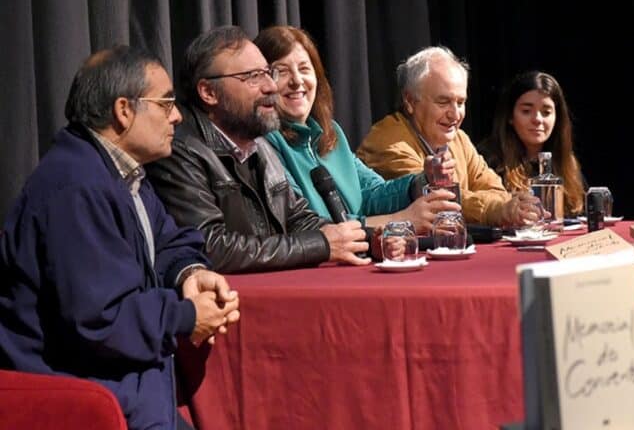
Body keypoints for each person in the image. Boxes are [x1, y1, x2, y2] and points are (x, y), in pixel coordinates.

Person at [0, 46, 240, 430]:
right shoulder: (77, 187)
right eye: (165, 104)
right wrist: (187, 316)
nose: (177, 116)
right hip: (89, 403)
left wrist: (189, 273)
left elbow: (168, 240)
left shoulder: (121, 175)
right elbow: (100, 320)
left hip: (136, 394)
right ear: (124, 110)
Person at [147, 26, 370, 273]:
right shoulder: (179, 150)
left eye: (268, 73)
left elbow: (300, 220)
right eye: (254, 76)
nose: (271, 87)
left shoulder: (260, 144)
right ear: (209, 92)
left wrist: (366, 239)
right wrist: (321, 244)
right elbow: (210, 247)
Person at [253, 25, 460, 234]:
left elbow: (372, 193)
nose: (297, 81)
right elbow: (308, 223)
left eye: (305, 69)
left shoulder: (331, 132)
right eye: (281, 71)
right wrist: (399, 221)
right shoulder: (264, 143)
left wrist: (423, 180)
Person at [356, 46, 540, 228]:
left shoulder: (459, 139)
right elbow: (437, 202)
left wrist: (504, 206)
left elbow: (496, 190)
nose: (455, 114)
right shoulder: (387, 144)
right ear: (410, 101)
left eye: (460, 102)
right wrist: (496, 209)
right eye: (443, 102)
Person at [478, 71, 585, 216]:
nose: (537, 119)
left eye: (546, 112)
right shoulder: (489, 160)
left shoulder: (567, 162)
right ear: (510, 116)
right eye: (527, 111)